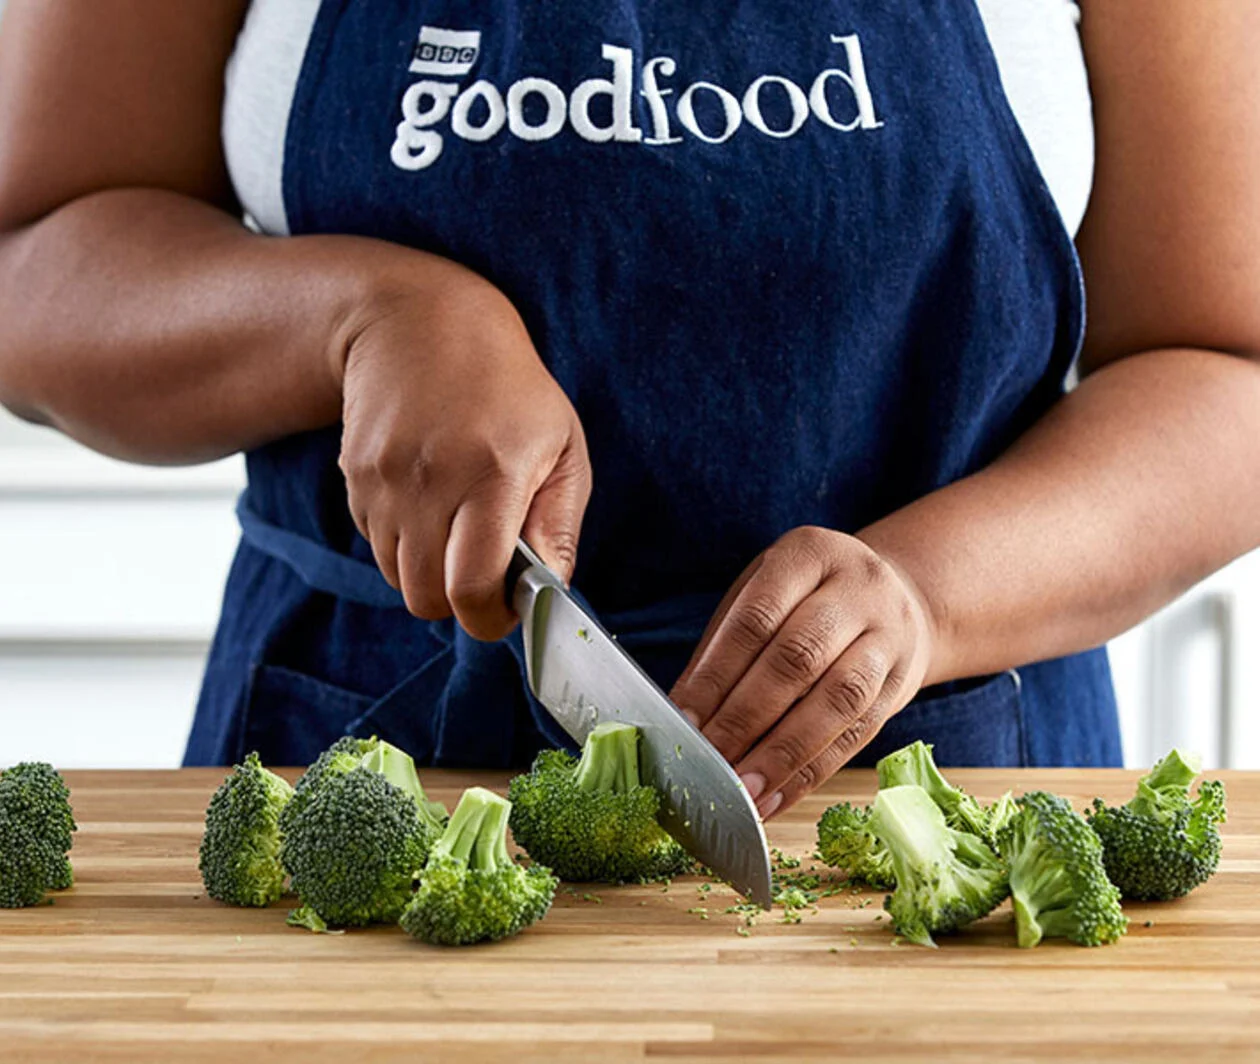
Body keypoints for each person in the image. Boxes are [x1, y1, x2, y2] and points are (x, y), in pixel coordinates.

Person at [1, 1, 1258, 820]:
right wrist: (355, 315)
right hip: (355, 755)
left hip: (947, 778)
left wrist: (931, 595)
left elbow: (1226, 369)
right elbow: (36, 263)